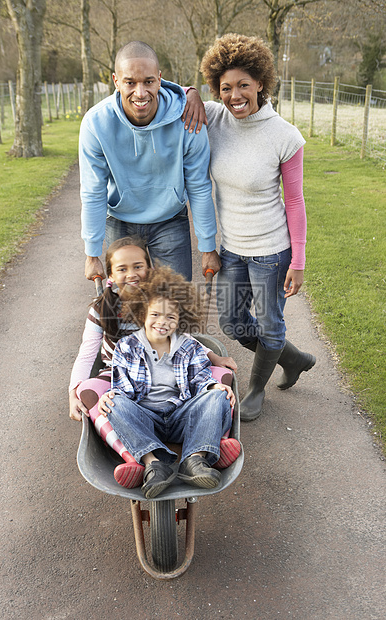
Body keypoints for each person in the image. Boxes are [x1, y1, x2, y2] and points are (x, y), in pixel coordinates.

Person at [184, 33, 316, 421]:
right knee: (232, 321)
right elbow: (169, 91)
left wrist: (299, 260)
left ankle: (258, 388)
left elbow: (294, 200)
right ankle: (293, 359)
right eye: (225, 87)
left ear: (261, 82)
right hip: (232, 248)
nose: (235, 95)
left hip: (272, 253)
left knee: (270, 323)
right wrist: (191, 91)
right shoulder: (213, 117)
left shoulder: (285, 136)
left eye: (244, 85)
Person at [69, 236, 239, 488]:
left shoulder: (159, 299)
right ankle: (142, 460)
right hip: (122, 376)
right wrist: (74, 391)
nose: (131, 274)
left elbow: (184, 340)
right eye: (122, 269)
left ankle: (201, 454)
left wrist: (213, 359)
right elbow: (88, 353)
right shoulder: (105, 312)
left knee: (221, 383)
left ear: (149, 269)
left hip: (176, 392)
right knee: (97, 396)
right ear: (111, 276)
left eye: (138, 266)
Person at [79, 40, 221, 282]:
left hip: (170, 221)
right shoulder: (96, 124)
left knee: (174, 304)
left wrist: (207, 247)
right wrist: (92, 253)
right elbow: (93, 192)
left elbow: (199, 185)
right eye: (130, 83)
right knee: (126, 307)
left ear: (159, 78)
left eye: (148, 81)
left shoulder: (187, 119)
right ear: (116, 81)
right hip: (121, 220)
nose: (140, 92)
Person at [97, 265, 236, 499]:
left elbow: (201, 377)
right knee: (112, 404)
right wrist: (114, 397)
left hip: (182, 413)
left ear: (180, 319)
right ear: (143, 314)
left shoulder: (189, 346)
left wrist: (214, 386)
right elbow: (121, 386)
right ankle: (154, 463)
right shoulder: (127, 346)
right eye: (155, 314)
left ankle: (194, 461)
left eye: (170, 316)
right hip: (145, 416)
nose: (162, 322)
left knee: (219, 395)